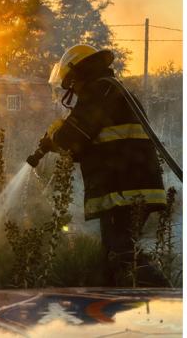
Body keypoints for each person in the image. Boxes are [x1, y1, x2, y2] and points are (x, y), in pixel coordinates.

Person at [29, 44, 169, 287]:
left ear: (80, 74)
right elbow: (88, 147)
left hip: (124, 190)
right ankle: (113, 314)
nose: (72, 88)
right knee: (111, 260)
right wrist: (59, 142)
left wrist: (55, 139)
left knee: (122, 255)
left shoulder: (100, 91)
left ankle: (166, 296)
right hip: (129, 187)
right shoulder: (111, 90)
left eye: (71, 82)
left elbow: (74, 137)